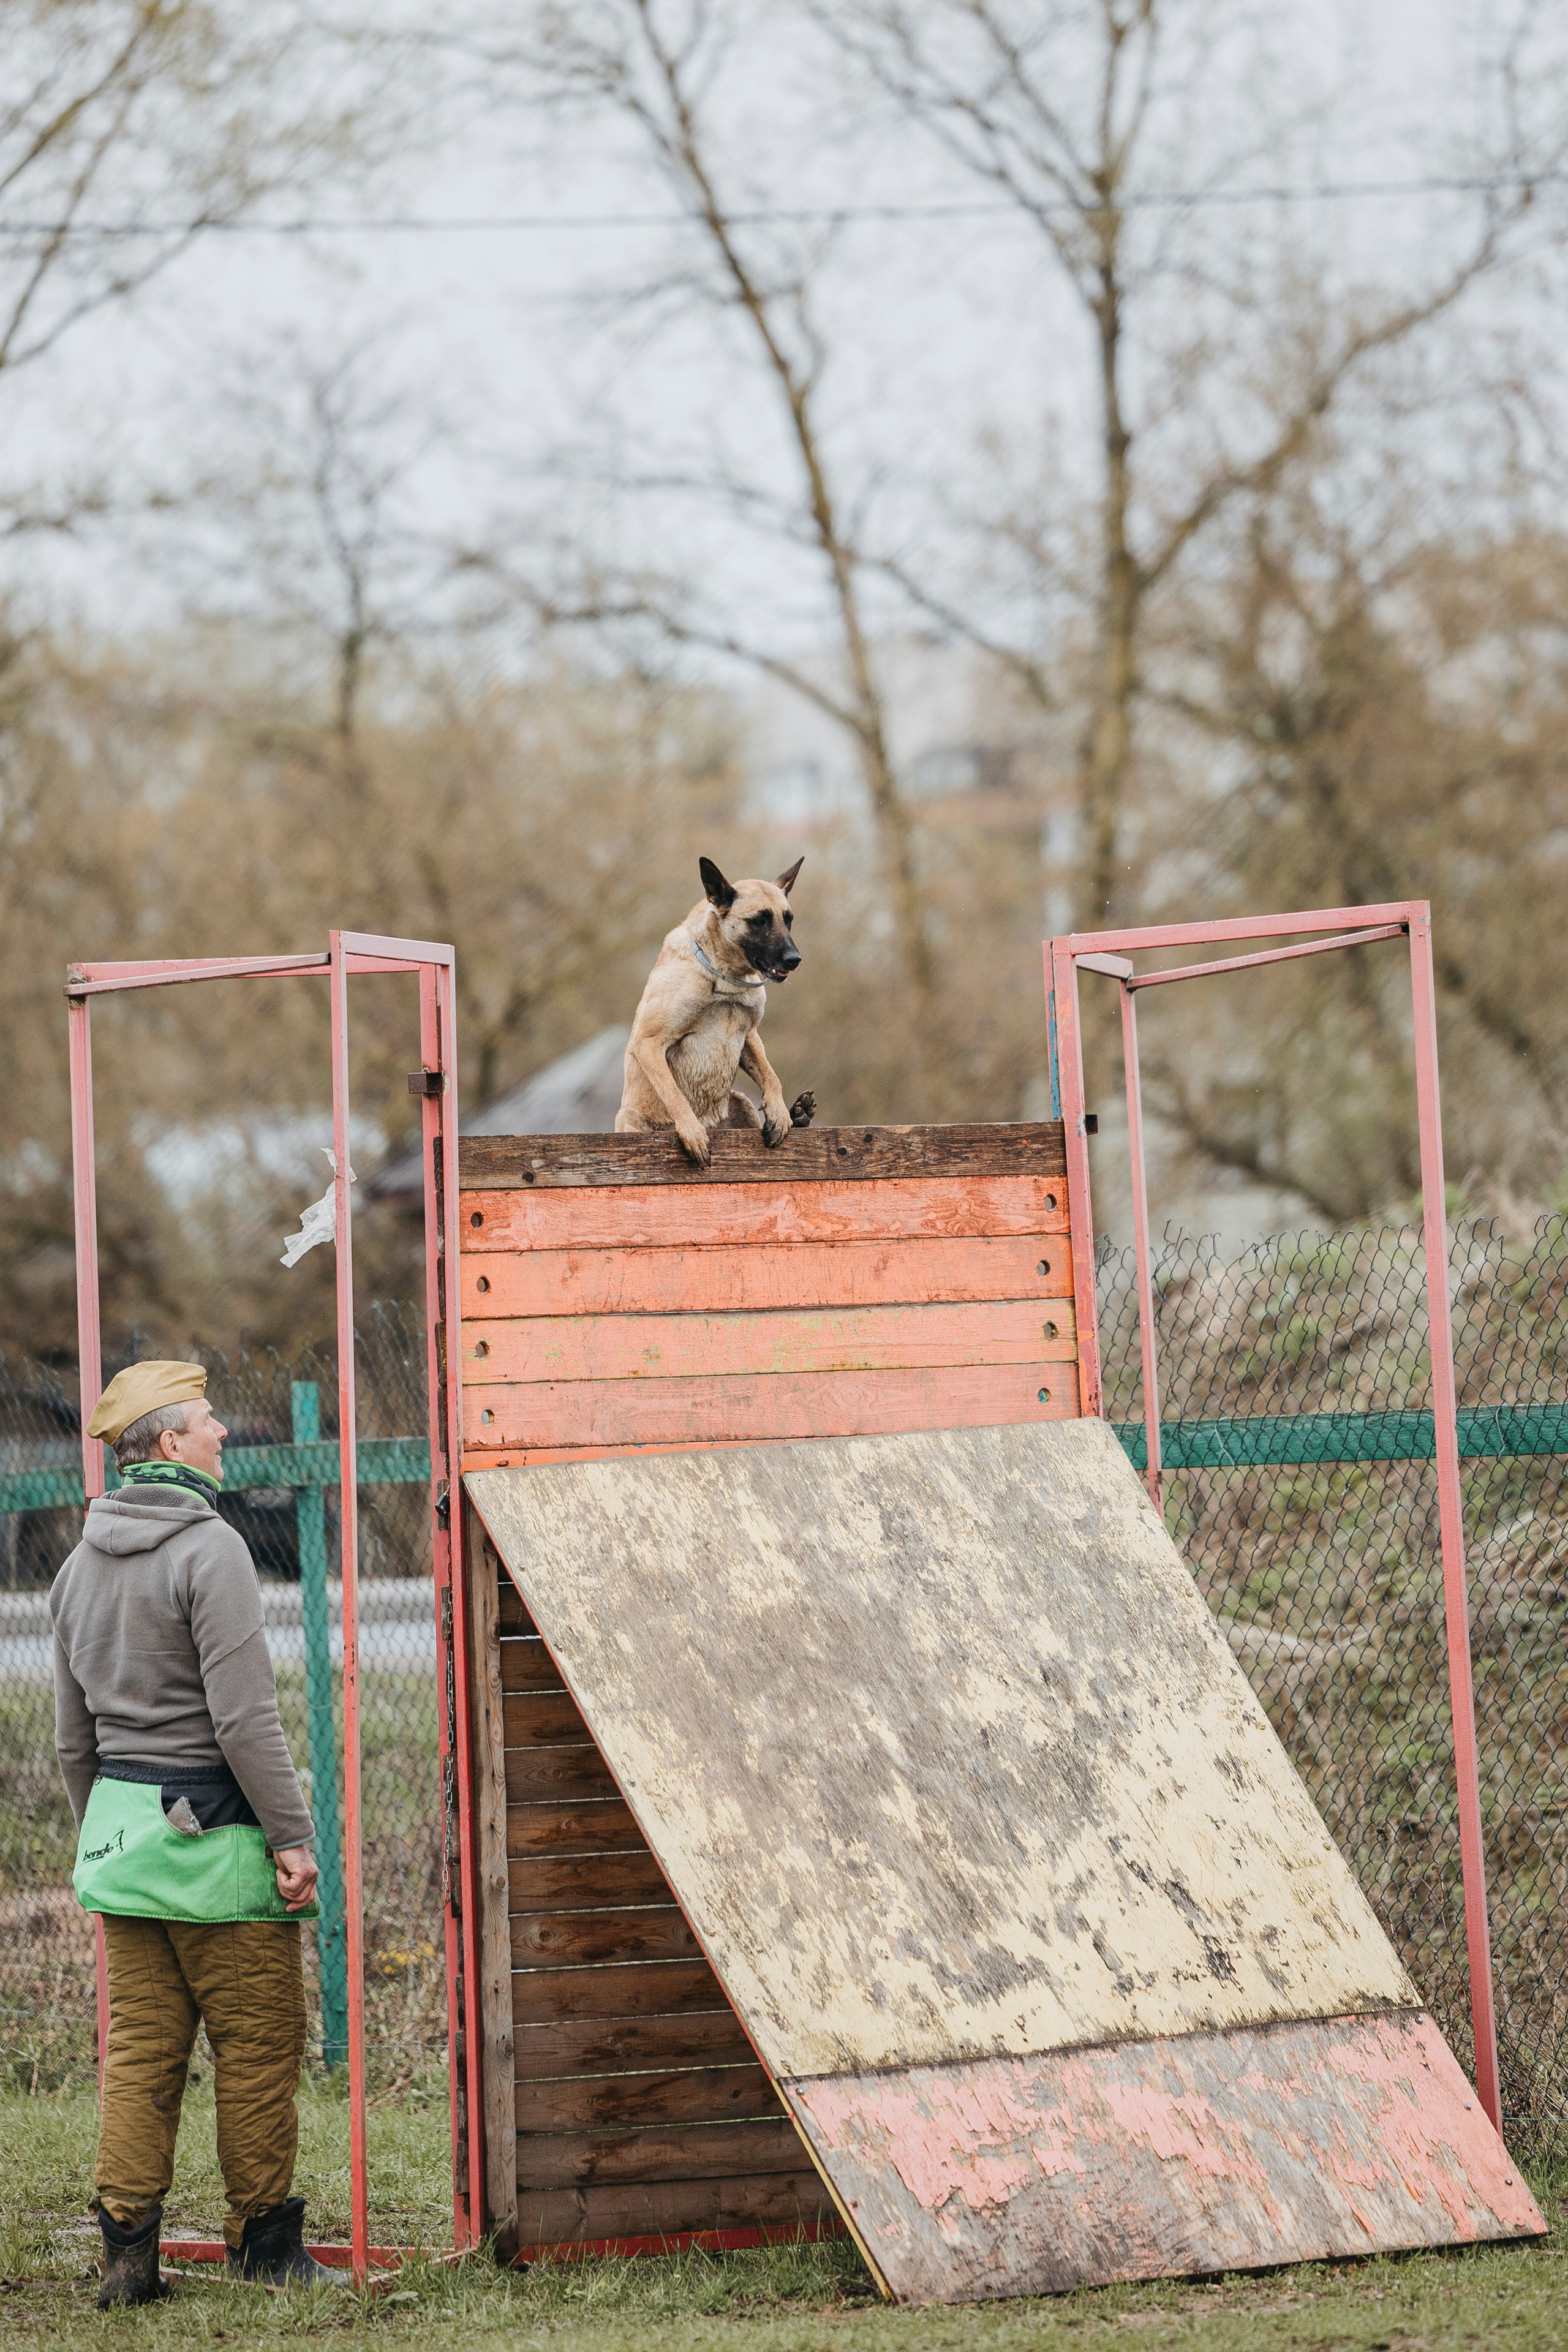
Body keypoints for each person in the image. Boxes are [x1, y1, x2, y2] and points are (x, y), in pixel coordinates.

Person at [51, 1360, 341, 2305]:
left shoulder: (74, 1564)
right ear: (171, 1443)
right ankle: (264, 2244)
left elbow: (71, 1740)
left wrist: (106, 1834)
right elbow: (245, 1720)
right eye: (211, 1421)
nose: (225, 1434)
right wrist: (293, 1836)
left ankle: (129, 2259)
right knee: (257, 2044)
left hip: (128, 1840)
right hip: (215, 1840)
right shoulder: (209, 1549)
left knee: (140, 2053)